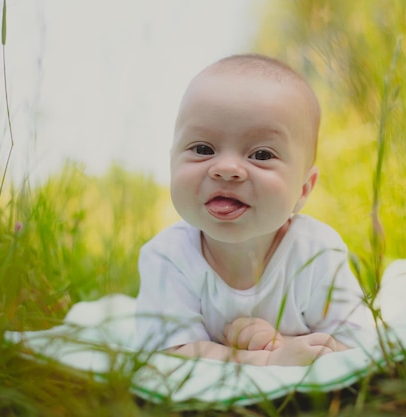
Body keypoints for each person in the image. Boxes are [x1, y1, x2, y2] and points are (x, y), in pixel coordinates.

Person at [135, 53, 373, 366]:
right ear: (171, 162)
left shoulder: (316, 254)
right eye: (203, 149)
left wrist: (285, 344)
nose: (227, 169)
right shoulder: (168, 256)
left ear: (303, 189)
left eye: (261, 154)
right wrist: (267, 360)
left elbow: (360, 343)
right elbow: (169, 353)